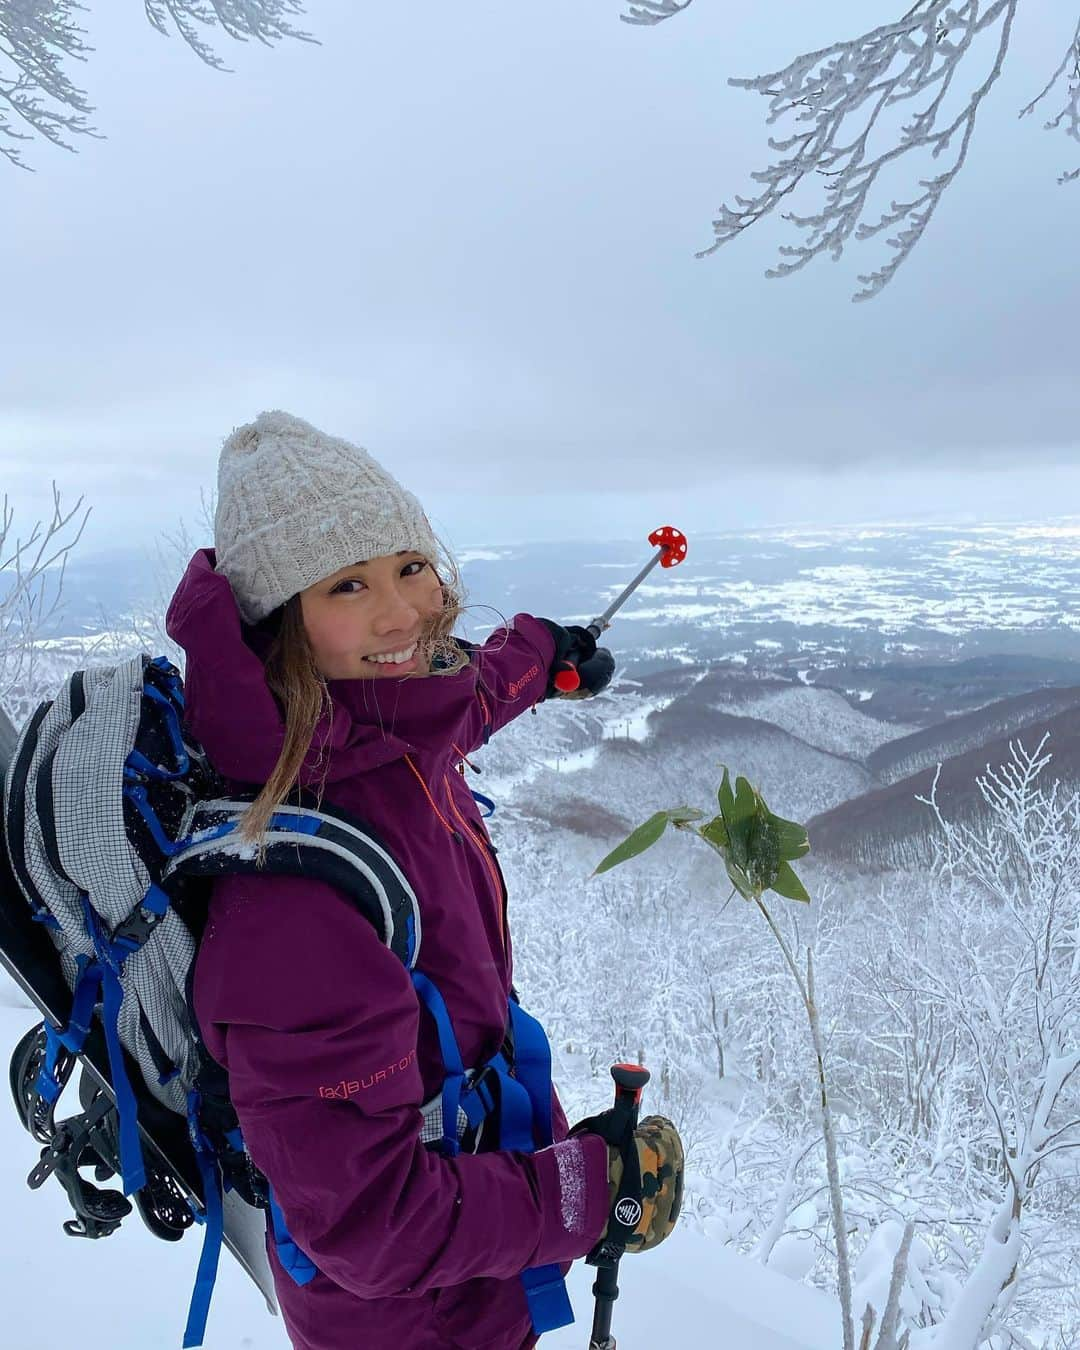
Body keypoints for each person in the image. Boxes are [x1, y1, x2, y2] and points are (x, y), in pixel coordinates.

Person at [165, 410, 684, 1350]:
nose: (403, 612)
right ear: (281, 625)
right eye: (348, 585)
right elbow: (373, 1225)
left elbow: (461, 700)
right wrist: (590, 1187)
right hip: (409, 1321)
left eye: (410, 564)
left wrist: (546, 653)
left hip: (480, 1264)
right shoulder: (292, 910)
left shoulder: (364, 731)